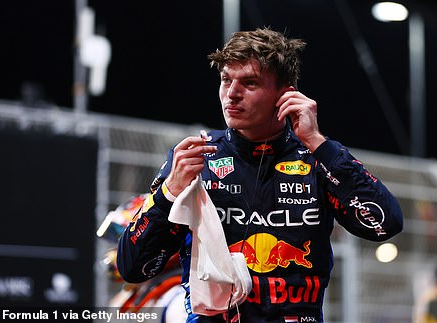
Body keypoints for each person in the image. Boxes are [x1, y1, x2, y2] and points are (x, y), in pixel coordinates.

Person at [117, 27, 404, 323]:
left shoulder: (318, 158)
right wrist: (169, 193)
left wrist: (318, 143)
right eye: (226, 79)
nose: (232, 94)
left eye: (249, 83)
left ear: (285, 95)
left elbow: (385, 225)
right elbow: (133, 268)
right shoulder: (196, 157)